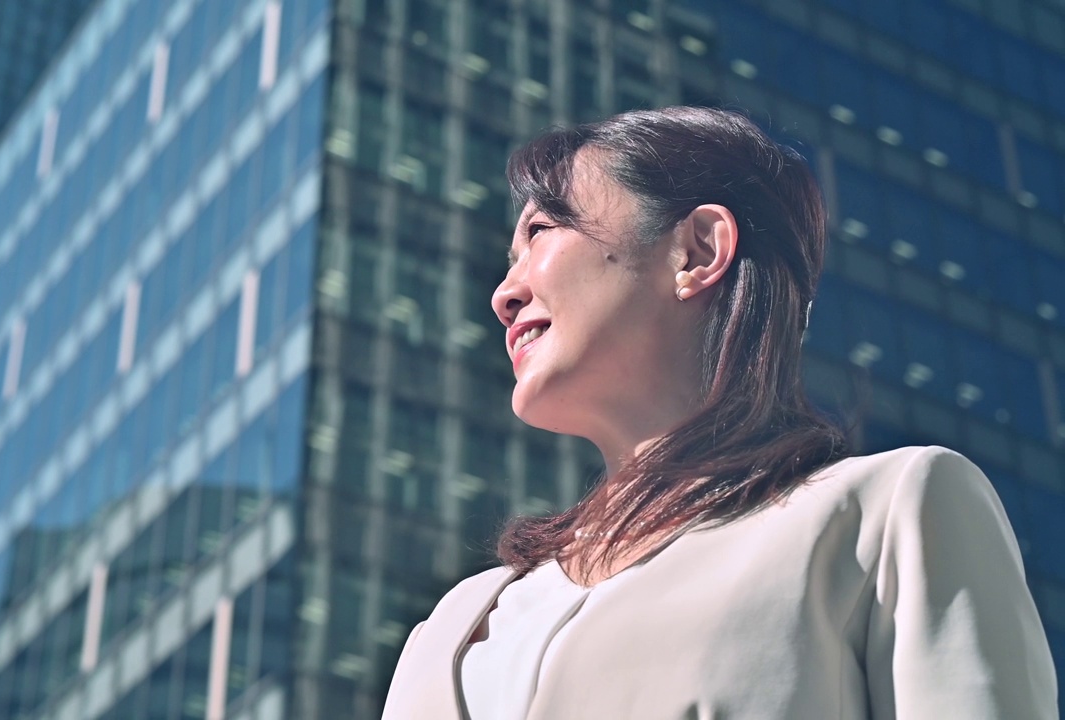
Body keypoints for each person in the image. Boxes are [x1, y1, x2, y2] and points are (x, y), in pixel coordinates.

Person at [381, 107, 1057, 719]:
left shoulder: (890, 514)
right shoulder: (451, 626)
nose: (503, 292)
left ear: (697, 251)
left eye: (541, 231)